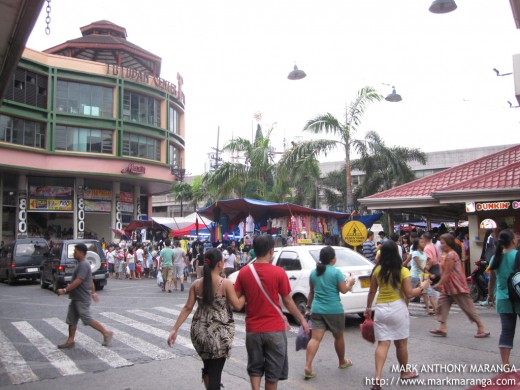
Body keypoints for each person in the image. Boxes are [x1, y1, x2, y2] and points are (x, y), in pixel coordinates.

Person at [234, 234, 309, 390]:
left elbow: (237, 301)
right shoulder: (279, 272)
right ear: (271, 251)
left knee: (255, 367)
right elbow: (288, 301)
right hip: (274, 329)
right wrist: (301, 320)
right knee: (272, 373)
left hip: (253, 329)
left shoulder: (244, 272)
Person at [167, 249, 245, 390]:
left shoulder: (196, 284)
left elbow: (187, 308)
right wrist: (245, 292)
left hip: (199, 333)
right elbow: (238, 305)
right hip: (219, 334)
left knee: (209, 367)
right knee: (215, 374)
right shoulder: (225, 283)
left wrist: (174, 329)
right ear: (220, 264)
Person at [365, 241, 430, 390]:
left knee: (383, 343)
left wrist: (368, 308)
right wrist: (422, 287)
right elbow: (409, 293)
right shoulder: (403, 271)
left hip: (380, 310)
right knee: (401, 344)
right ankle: (405, 372)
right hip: (398, 309)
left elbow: (372, 291)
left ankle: (378, 378)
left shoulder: (377, 270)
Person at [304, 246, 356, 379]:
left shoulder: (314, 273)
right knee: (338, 337)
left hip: (316, 309)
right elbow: (344, 290)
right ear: (333, 259)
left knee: (315, 338)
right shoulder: (336, 272)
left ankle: (308, 366)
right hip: (334, 310)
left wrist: (308, 307)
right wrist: (350, 282)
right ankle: (342, 361)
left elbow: (311, 292)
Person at [430, 233, 490, 338]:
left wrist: (439, 284)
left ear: (449, 243)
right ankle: (442, 327)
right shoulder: (444, 254)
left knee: (467, 307)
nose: (441, 245)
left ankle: (480, 327)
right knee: (442, 305)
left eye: (443, 243)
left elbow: (447, 273)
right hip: (448, 286)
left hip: (457, 286)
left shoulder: (451, 255)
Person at [56, 243, 113, 348]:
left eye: (75, 251)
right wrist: (94, 291)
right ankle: (70, 340)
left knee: (86, 318)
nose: (74, 253)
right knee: (71, 319)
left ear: (81, 253)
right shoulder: (82, 264)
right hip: (76, 297)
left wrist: (65, 290)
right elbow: (90, 279)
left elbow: (78, 281)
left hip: (81, 298)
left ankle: (106, 333)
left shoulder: (83, 264)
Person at [488, 230, 519, 371]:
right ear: (513, 240)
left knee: (506, 331)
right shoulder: (517, 255)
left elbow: (491, 280)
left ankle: (505, 365)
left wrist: (490, 295)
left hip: (503, 298)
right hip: (519, 297)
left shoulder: (495, 258)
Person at [410, 238, 430, 314]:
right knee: (410, 293)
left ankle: (428, 310)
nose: (424, 243)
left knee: (425, 292)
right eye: (421, 242)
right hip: (415, 275)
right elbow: (419, 265)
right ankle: (405, 309)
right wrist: (426, 271)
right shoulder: (415, 253)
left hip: (423, 275)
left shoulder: (424, 253)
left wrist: (426, 272)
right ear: (418, 244)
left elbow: (426, 263)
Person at [422, 232, 440, 315]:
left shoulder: (426, 248)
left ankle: (435, 308)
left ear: (425, 239)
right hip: (437, 268)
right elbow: (438, 258)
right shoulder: (434, 246)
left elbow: (430, 260)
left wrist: (426, 269)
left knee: (429, 290)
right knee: (435, 289)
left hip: (431, 269)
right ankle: (437, 307)